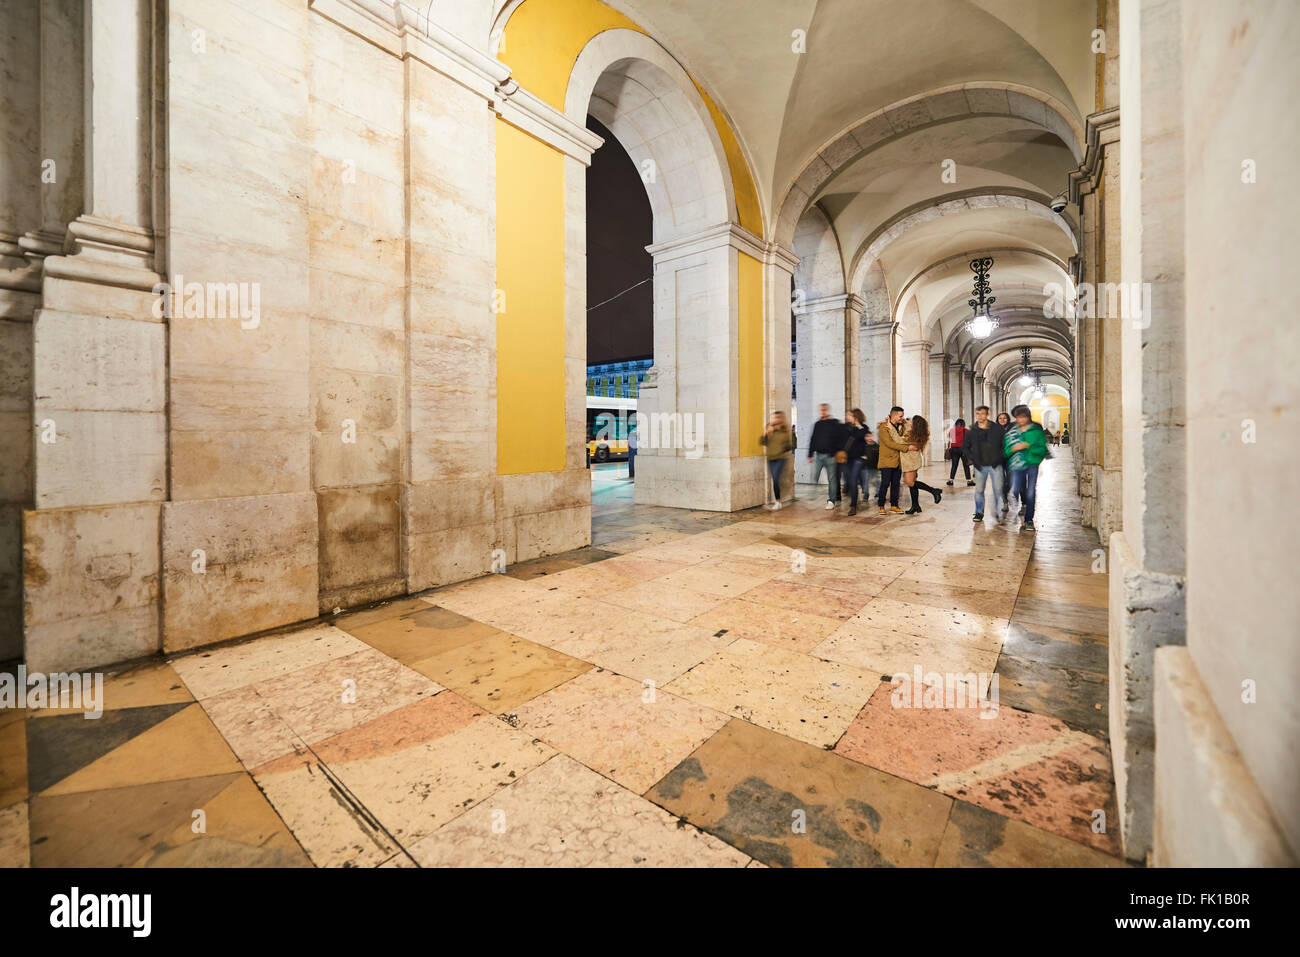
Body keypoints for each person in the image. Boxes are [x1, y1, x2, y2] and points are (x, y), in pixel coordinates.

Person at [1004, 404, 1049, 531]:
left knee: (1030, 492)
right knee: (1016, 489)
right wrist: (1013, 448)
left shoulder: (1036, 430)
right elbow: (1006, 450)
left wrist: (1028, 446)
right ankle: (1022, 505)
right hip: (1016, 465)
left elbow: (1043, 449)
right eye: (1018, 417)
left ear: (1028, 416)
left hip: (1032, 464)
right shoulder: (1012, 432)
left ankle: (1029, 519)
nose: (1020, 420)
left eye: (1023, 417)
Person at [961, 405, 1005, 523]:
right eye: (978, 414)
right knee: (979, 490)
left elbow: (1004, 444)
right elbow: (965, 447)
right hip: (980, 466)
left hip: (996, 464)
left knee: (998, 490)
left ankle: (997, 511)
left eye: (982, 414)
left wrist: (1000, 457)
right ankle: (979, 512)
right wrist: (972, 458)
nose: (980, 416)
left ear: (987, 415)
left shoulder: (997, 429)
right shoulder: (972, 431)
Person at [900, 415, 942, 514]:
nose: (909, 421)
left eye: (911, 420)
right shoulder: (916, 434)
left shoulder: (913, 435)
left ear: (916, 424)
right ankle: (915, 506)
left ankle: (934, 491)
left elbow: (900, 441)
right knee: (912, 483)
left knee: (910, 482)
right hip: (911, 460)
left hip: (911, 461)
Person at [807, 403, 846, 509]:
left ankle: (831, 500)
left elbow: (841, 437)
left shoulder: (834, 423)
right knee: (815, 476)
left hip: (830, 456)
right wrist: (810, 454)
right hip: (819, 455)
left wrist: (836, 451)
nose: (823, 412)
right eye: (821, 410)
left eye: (824, 410)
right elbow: (813, 439)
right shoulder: (817, 424)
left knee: (832, 479)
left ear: (828, 410)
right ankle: (813, 495)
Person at [842, 409, 878, 516]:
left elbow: (866, 439)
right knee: (850, 481)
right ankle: (859, 494)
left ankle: (853, 506)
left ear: (856, 418)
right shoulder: (848, 428)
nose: (848, 418)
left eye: (850, 416)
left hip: (859, 459)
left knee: (853, 481)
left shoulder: (864, 429)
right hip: (848, 459)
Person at [875, 406, 910, 514]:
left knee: (896, 484)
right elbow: (889, 443)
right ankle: (881, 505)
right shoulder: (883, 427)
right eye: (900, 416)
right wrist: (906, 448)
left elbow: (908, 431)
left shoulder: (900, 426)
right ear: (894, 415)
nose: (902, 418)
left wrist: (903, 422)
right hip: (887, 461)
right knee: (885, 484)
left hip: (898, 461)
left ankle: (894, 505)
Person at [760, 411, 794, 509]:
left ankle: (778, 502)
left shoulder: (785, 431)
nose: (775, 419)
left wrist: (783, 448)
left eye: (777, 417)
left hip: (780, 458)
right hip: (770, 458)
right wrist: (767, 433)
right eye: (774, 417)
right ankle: (778, 502)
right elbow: (763, 442)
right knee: (775, 479)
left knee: (775, 478)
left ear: (781, 419)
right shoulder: (769, 428)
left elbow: (791, 445)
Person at [946, 418, 974, 486]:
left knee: (954, 465)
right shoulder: (966, 430)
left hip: (954, 449)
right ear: (963, 424)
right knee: (966, 465)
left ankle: (951, 480)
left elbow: (952, 440)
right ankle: (969, 481)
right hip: (963, 449)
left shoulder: (952, 431)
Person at [996, 411, 1013, 515]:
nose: (1002, 420)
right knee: (1001, 481)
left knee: (1010, 480)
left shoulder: (1012, 430)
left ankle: (1007, 493)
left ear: (1008, 419)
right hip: (998, 459)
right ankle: (1005, 502)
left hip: (1010, 458)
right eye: (1000, 418)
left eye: (1004, 418)